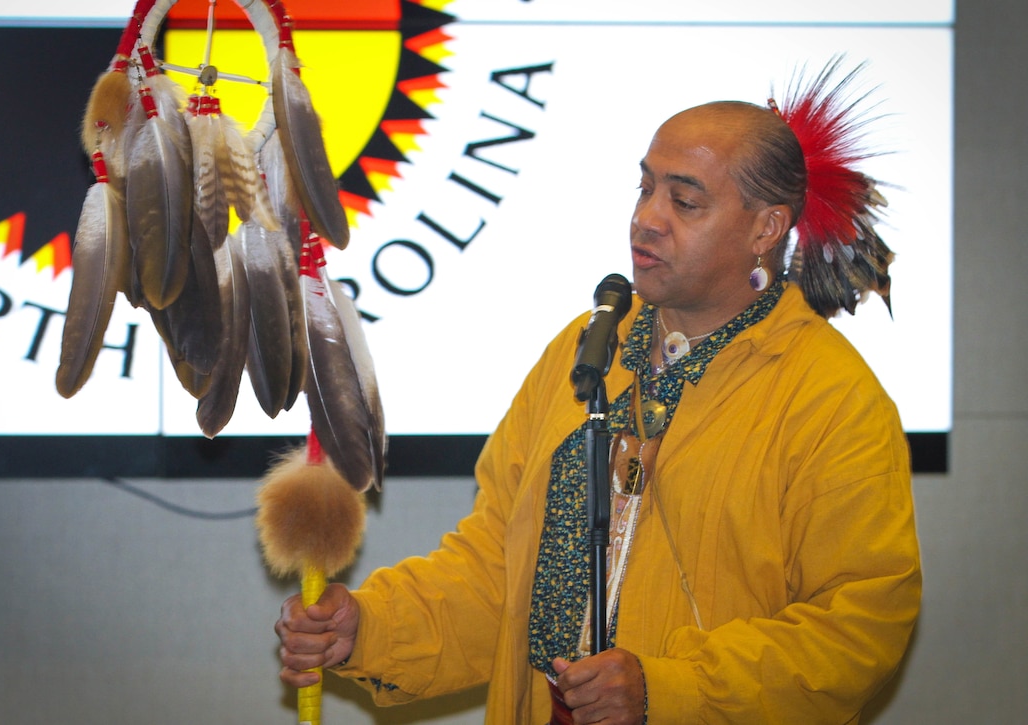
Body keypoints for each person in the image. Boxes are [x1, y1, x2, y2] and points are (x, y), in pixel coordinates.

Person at [275, 63, 921, 724]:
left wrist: (666, 691)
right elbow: (499, 567)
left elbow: (857, 627)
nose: (646, 218)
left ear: (765, 229)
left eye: (685, 200)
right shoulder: (585, 350)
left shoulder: (834, 399)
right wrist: (371, 627)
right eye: (645, 187)